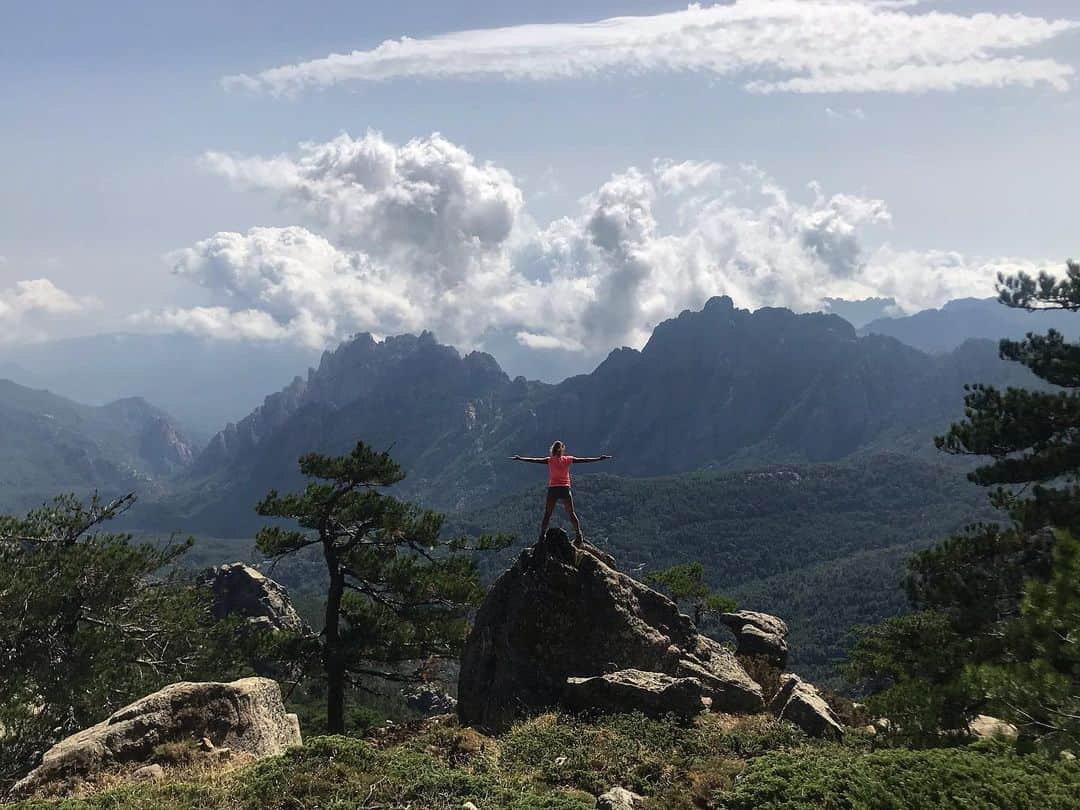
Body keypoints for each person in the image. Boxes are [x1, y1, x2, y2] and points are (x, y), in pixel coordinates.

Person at [510, 441, 612, 542]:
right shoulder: (568, 459)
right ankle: (578, 534)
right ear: (562, 449)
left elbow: (534, 460)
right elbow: (584, 460)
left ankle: (542, 535)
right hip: (565, 489)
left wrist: (520, 458)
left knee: (547, 514)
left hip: (553, 489)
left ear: (552, 449)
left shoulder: (549, 460)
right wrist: (599, 458)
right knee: (571, 513)